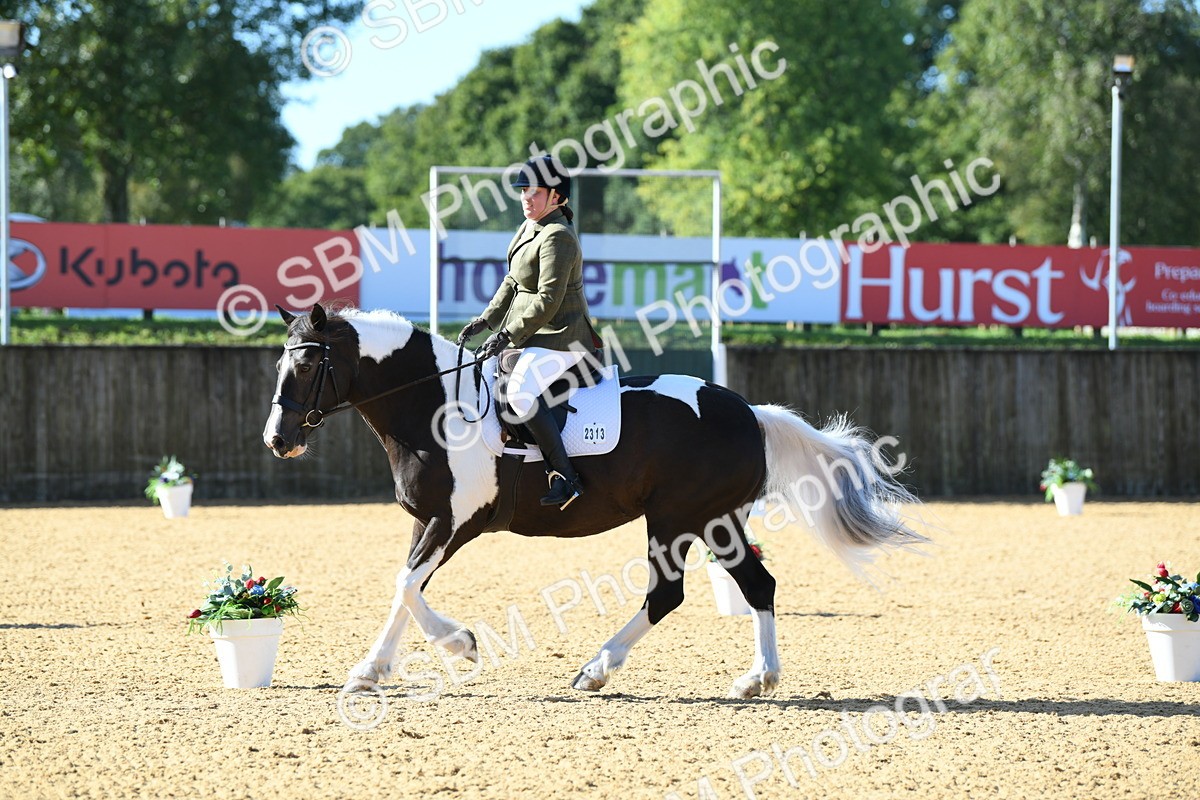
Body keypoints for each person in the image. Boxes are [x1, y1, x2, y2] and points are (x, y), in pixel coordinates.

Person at [458, 155, 601, 510]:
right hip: (533, 334)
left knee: (520, 394)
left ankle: (566, 476)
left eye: (534, 192)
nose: (526, 198)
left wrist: (507, 335)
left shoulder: (558, 237)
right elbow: (513, 281)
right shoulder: (529, 227)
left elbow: (548, 300)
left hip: (562, 337)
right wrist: (488, 320)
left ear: (557, 196)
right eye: (523, 191)